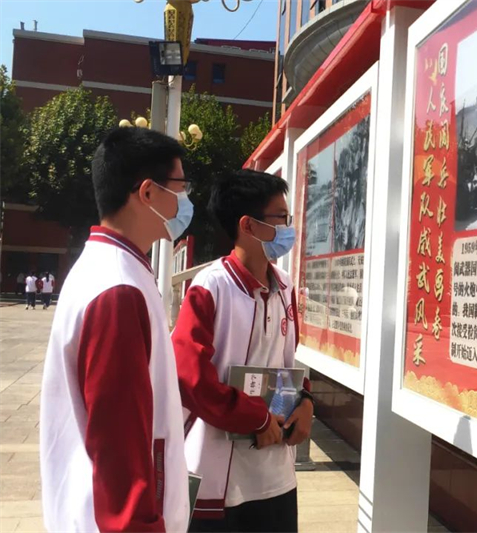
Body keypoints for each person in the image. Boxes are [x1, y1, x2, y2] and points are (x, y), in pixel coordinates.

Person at [40, 127, 195, 532]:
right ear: (148, 192)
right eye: (181, 187)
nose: (186, 200)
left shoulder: (112, 269)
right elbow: (119, 446)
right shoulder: (118, 289)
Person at [173, 170, 313, 533]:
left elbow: (287, 362)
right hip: (217, 476)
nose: (288, 229)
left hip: (275, 474)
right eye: (280, 218)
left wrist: (305, 402)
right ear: (248, 225)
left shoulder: (284, 286)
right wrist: (256, 418)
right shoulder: (211, 287)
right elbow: (190, 378)